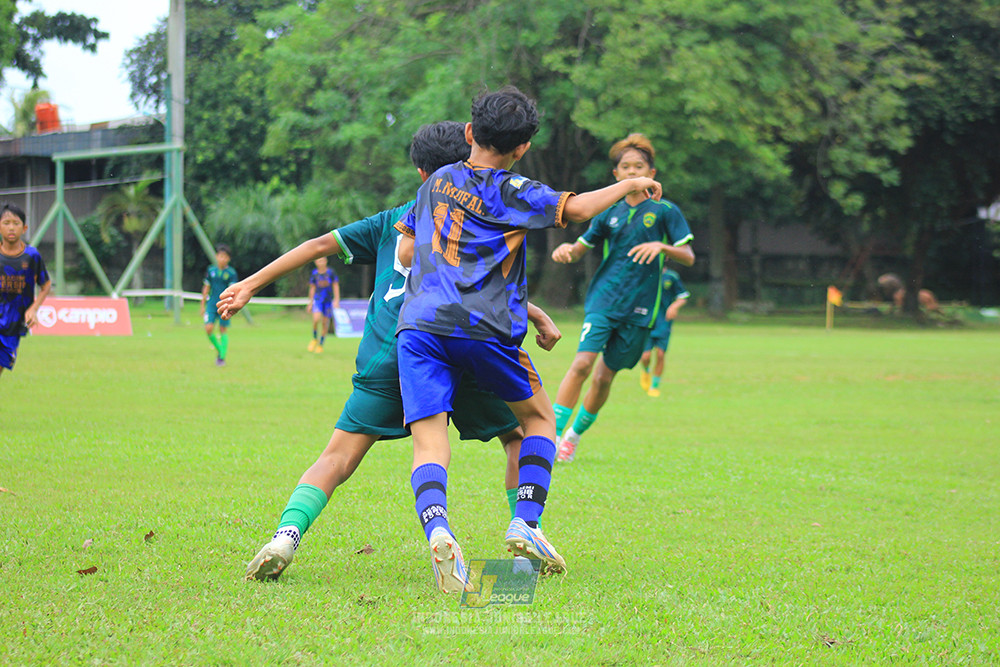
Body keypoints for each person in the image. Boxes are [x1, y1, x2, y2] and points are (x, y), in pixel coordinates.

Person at [217, 121, 562, 589]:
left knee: (337, 457)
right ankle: (527, 532)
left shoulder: (389, 222)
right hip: (460, 349)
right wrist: (537, 314)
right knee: (521, 432)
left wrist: (250, 284)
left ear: (421, 172)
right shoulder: (484, 210)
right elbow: (473, 285)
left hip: (387, 355)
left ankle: (286, 536)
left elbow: (319, 245)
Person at [395, 87, 665, 592]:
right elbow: (580, 208)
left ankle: (438, 529)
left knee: (429, 440)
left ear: (470, 133)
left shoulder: (434, 182)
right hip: (482, 329)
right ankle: (526, 522)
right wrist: (635, 185)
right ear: (522, 148)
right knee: (540, 418)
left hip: (417, 328)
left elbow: (408, 251)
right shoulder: (516, 189)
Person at [549, 133, 695, 462]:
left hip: (640, 308)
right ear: (616, 175)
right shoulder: (607, 214)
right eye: (625, 167)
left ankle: (573, 436)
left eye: (639, 166)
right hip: (604, 300)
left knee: (603, 377)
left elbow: (687, 255)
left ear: (651, 173)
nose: (632, 172)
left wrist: (662, 246)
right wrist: (565, 251)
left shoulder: (664, 211)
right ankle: (553, 436)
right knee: (583, 364)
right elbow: (578, 249)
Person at [0, 202, 52, 378]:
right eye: (6, 223)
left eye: (16, 223)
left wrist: (33, 309)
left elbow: (45, 285)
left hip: (13, 325)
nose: (11, 228)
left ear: (24, 228)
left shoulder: (32, 256)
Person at [638, 267, 689, 397]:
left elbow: (682, 296)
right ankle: (646, 371)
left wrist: (674, 306)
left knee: (660, 354)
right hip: (647, 321)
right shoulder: (645, 274)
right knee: (645, 357)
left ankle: (654, 386)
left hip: (664, 323)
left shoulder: (671, 276)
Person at [201, 245, 237, 366]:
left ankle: (221, 357)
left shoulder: (231, 273)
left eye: (225, 257)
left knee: (223, 329)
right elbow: (206, 287)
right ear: (216, 256)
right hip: (211, 304)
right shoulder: (211, 271)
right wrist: (202, 305)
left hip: (224, 304)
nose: (222, 259)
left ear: (229, 259)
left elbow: (233, 291)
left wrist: (232, 305)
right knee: (208, 328)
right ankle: (220, 351)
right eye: (220, 256)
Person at [306, 256, 340, 353]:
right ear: (316, 262)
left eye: (322, 260)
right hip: (318, 300)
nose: (321, 262)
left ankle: (320, 345)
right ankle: (314, 338)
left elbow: (335, 285)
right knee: (316, 319)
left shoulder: (331, 273)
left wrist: (336, 299)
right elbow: (312, 288)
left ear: (326, 261)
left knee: (325, 323)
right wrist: (310, 302)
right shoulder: (314, 274)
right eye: (318, 261)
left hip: (328, 301)